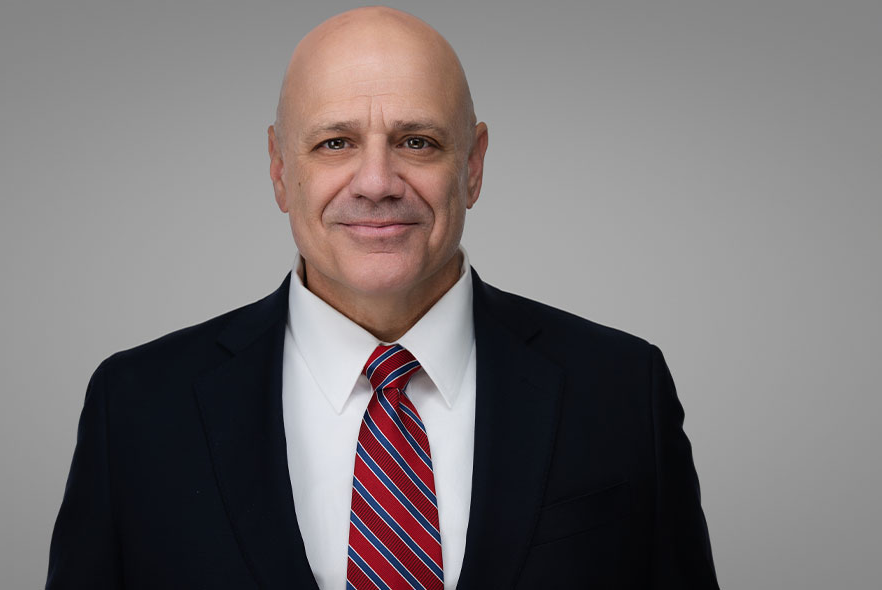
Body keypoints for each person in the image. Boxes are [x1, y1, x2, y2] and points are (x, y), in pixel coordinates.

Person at [47, 7, 718, 589]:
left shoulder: (622, 389)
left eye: (416, 142)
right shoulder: (135, 406)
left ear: (473, 165)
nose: (375, 182)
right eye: (334, 143)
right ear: (281, 170)